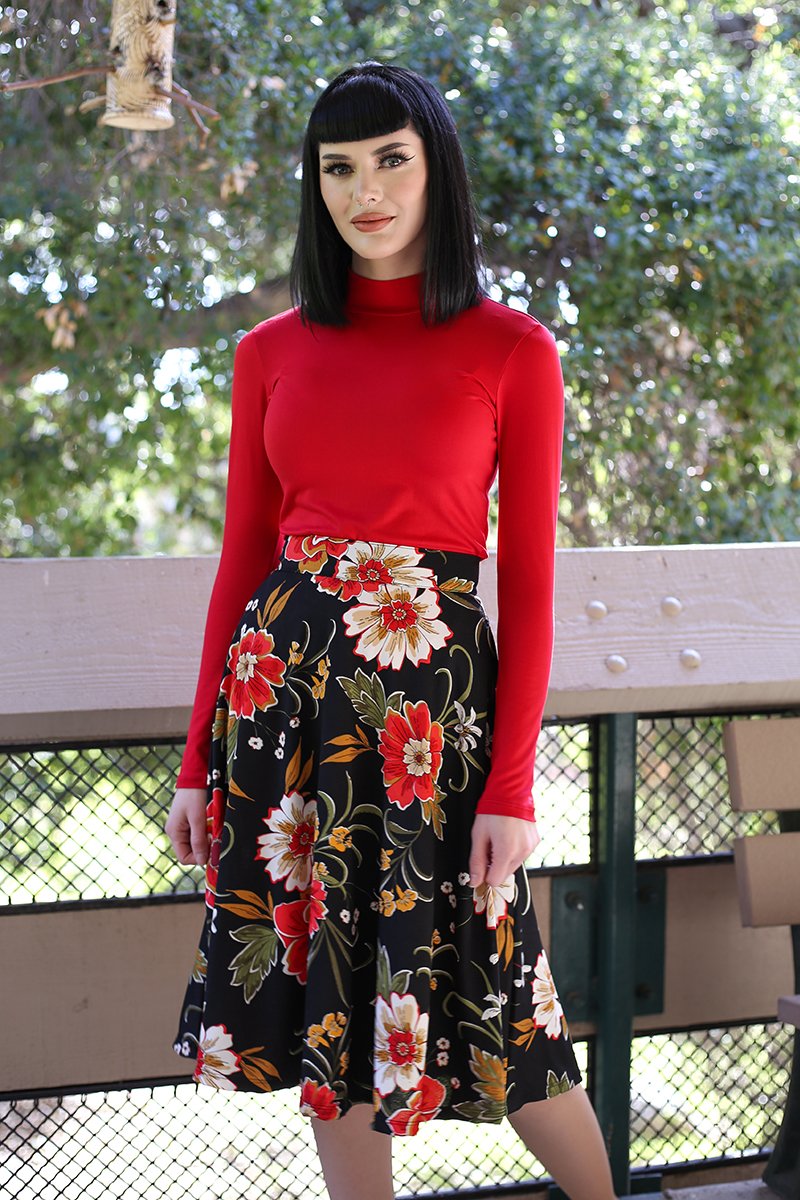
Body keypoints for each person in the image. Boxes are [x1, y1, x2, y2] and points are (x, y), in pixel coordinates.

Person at [165, 60, 616, 1200]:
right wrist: (194, 762)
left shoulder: (513, 350)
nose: (364, 191)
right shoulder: (268, 353)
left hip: (431, 722)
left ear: (434, 170)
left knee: (508, 1008)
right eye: (337, 168)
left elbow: (529, 583)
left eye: (390, 161)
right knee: (330, 1009)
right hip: (283, 714)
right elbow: (242, 563)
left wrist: (512, 788)